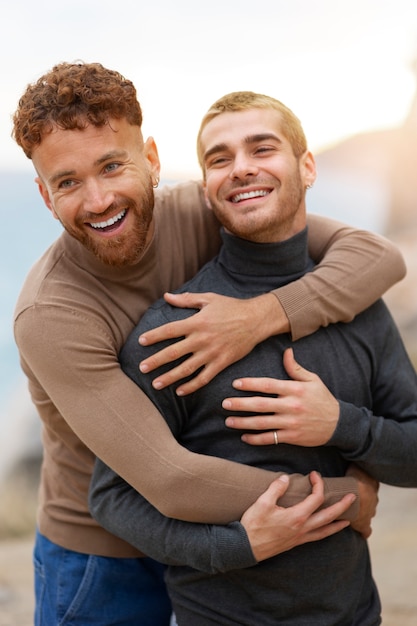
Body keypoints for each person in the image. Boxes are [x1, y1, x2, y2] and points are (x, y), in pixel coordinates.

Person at [12, 61, 403, 626]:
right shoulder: (51, 314)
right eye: (67, 183)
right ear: (46, 198)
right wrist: (346, 498)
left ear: (150, 159)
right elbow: (171, 480)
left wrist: (259, 316)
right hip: (104, 561)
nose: (97, 200)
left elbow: (377, 257)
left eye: (112, 166)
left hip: (225, 532)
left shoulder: (199, 213)